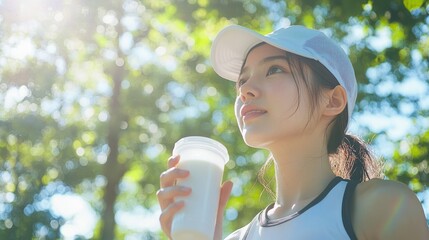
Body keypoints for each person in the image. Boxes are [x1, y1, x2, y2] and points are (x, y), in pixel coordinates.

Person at [157, 24, 429, 239]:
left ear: (332, 101)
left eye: (274, 69)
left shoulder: (381, 207)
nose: (244, 89)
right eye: (242, 79)